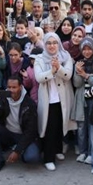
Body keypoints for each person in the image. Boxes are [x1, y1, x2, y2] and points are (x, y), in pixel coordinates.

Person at [35, 33, 75, 171]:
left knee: (59, 125)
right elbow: (39, 77)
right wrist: (52, 71)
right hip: (48, 99)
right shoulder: (39, 58)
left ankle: (58, 150)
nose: (52, 46)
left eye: (55, 43)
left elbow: (68, 75)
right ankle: (48, 158)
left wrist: (59, 68)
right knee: (49, 128)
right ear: (44, 45)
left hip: (62, 97)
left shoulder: (65, 56)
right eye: (49, 43)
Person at [0, 76, 42, 172]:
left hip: (23, 135)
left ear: (20, 87)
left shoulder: (29, 103)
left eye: (14, 87)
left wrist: (18, 151)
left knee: (32, 158)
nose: (11, 90)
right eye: (9, 87)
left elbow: (31, 131)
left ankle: (20, 150)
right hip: (8, 133)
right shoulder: (3, 98)